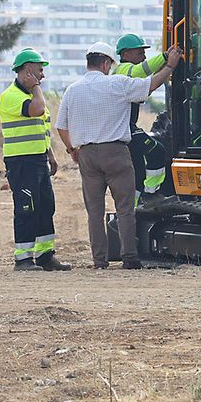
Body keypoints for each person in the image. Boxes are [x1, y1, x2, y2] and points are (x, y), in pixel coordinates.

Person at [55, 41, 181, 270]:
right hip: (116, 153)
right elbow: (150, 85)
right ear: (105, 63)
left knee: (94, 212)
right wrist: (169, 67)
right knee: (125, 209)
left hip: (87, 155)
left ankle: (99, 261)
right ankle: (129, 258)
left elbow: (61, 126)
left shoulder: (72, 90)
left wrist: (72, 150)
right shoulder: (117, 84)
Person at [0, 48, 71, 272]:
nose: (42, 76)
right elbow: (38, 110)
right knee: (26, 208)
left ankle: (45, 256)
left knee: (46, 207)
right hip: (21, 162)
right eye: (39, 71)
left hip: (38, 160)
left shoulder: (29, 95)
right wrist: (37, 87)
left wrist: (50, 155)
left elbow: (40, 127)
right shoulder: (11, 96)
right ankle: (23, 258)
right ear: (27, 71)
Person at [112, 33, 167, 197]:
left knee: (138, 173)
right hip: (125, 127)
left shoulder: (127, 74)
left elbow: (146, 85)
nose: (143, 57)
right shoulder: (124, 69)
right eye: (139, 53)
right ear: (125, 54)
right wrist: (165, 58)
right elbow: (141, 71)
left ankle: (136, 207)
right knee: (157, 151)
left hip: (125, 127)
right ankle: (151, 194)